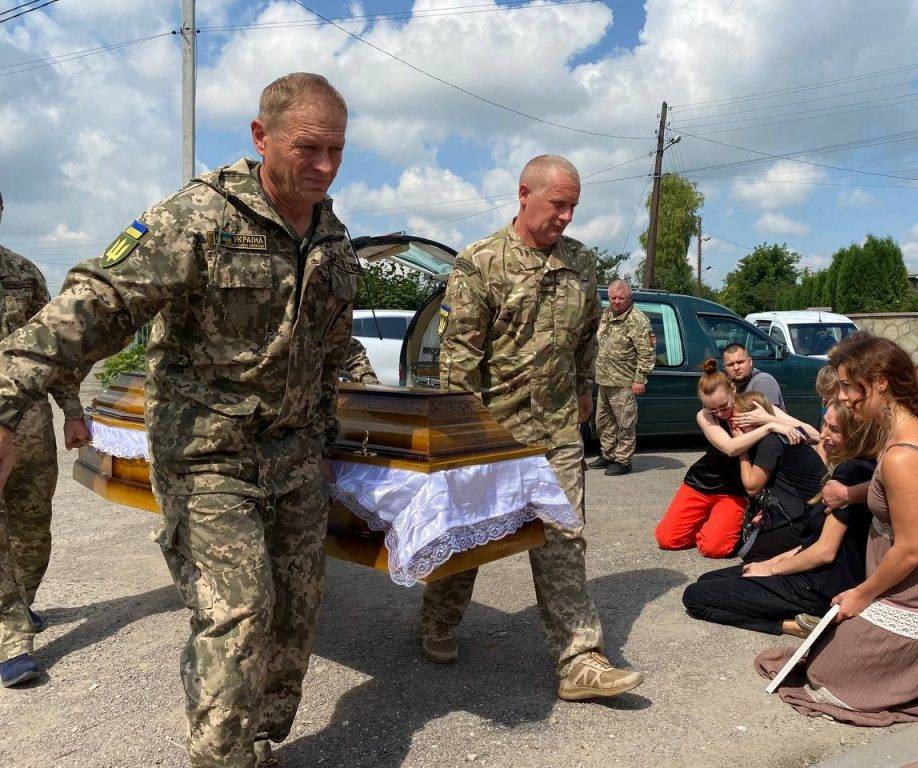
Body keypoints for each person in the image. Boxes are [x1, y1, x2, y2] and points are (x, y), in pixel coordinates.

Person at [0, 73, 356, 766]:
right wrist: (8, 396)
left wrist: (327, 436)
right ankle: (220, 756)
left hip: (293, 454)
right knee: (238, 609)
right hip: (207, 451)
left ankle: (258, 739)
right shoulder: (199, 216)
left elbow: (329, 348)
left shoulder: (331, 236)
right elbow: (98, 301)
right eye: (308, 148)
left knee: (296, 611)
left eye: (336, 150)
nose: (324, 166)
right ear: (261, 137)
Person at [418, 155, 643, 701]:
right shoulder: (481, 262)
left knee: (564, 534)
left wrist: (585, 389)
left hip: (558, 429)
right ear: (524, 194)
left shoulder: (581, 262)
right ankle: (439, 618)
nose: (566, 216)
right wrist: (461, 434)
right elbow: (459, 358)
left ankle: (579, 659)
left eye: (573, 206)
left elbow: (587, 336)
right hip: (491, 430)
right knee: (467, 534)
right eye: (557, 204)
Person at [757, 332, 918, 726]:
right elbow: (902, 494)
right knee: (819, 658)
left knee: (825, 676)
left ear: (879, 384)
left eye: (847, 386)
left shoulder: (902, 455)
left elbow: (910, 550)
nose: (842, 397)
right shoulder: (912, 428)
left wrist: (861, 594)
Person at [682, 401, 881, 636]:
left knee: (695, 597)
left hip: (818, 587)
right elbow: (810, 543)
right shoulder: (853, 467)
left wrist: (773, 570)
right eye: (825, 425)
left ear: (857, 435)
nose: (823, 435)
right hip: (812, 573)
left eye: (834, 430)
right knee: (707, 579)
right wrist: (769, 563)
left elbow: (824, 551)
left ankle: (793, 625)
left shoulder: (851, 474)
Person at [0, 192, 90, 688]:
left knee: (32, 527)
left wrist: (73, 412)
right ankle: (11, 639)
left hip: (30, 424)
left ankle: (21, 603)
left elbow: (53, 350)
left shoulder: (23, 274)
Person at [654, 360, 794, 558]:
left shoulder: (752, 407)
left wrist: (769, 419)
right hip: (701, 483)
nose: (719, 413)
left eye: (723, 406)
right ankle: (709, 521)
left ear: (733, 390)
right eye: (712, 409)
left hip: (734, 492)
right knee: (668, 539)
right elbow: (730, 448)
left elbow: (812, 433)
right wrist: (769, 427)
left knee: (714, 548)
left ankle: (720, 523)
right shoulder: (704, 415)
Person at [731, 391, 826, 561]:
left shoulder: (770, 441)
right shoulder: (777, 435)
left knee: (750, 552)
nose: (733, 424)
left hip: (811, 518)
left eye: (737, 419)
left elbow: (751, 487)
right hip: (814, 510)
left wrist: (741, 450)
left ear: (752, 420)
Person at [589, 279, 654, 476]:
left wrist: (640, 378)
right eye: (612, 298)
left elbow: (647, 352)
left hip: (624, 382)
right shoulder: (606, 314)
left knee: (625, 424)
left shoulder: (637, 320)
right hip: (604, 379)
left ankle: (623, 461)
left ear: (629, 298)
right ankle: (608, 454)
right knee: (603, 422)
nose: (616, 302)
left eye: (621, 298)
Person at [722, 343, 785, 410]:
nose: (736, 368)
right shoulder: (723, 384)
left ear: (750, 362)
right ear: (724, 367)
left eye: (740, 362)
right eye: (731, 364)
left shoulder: (764, 381)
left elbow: (767, 414)